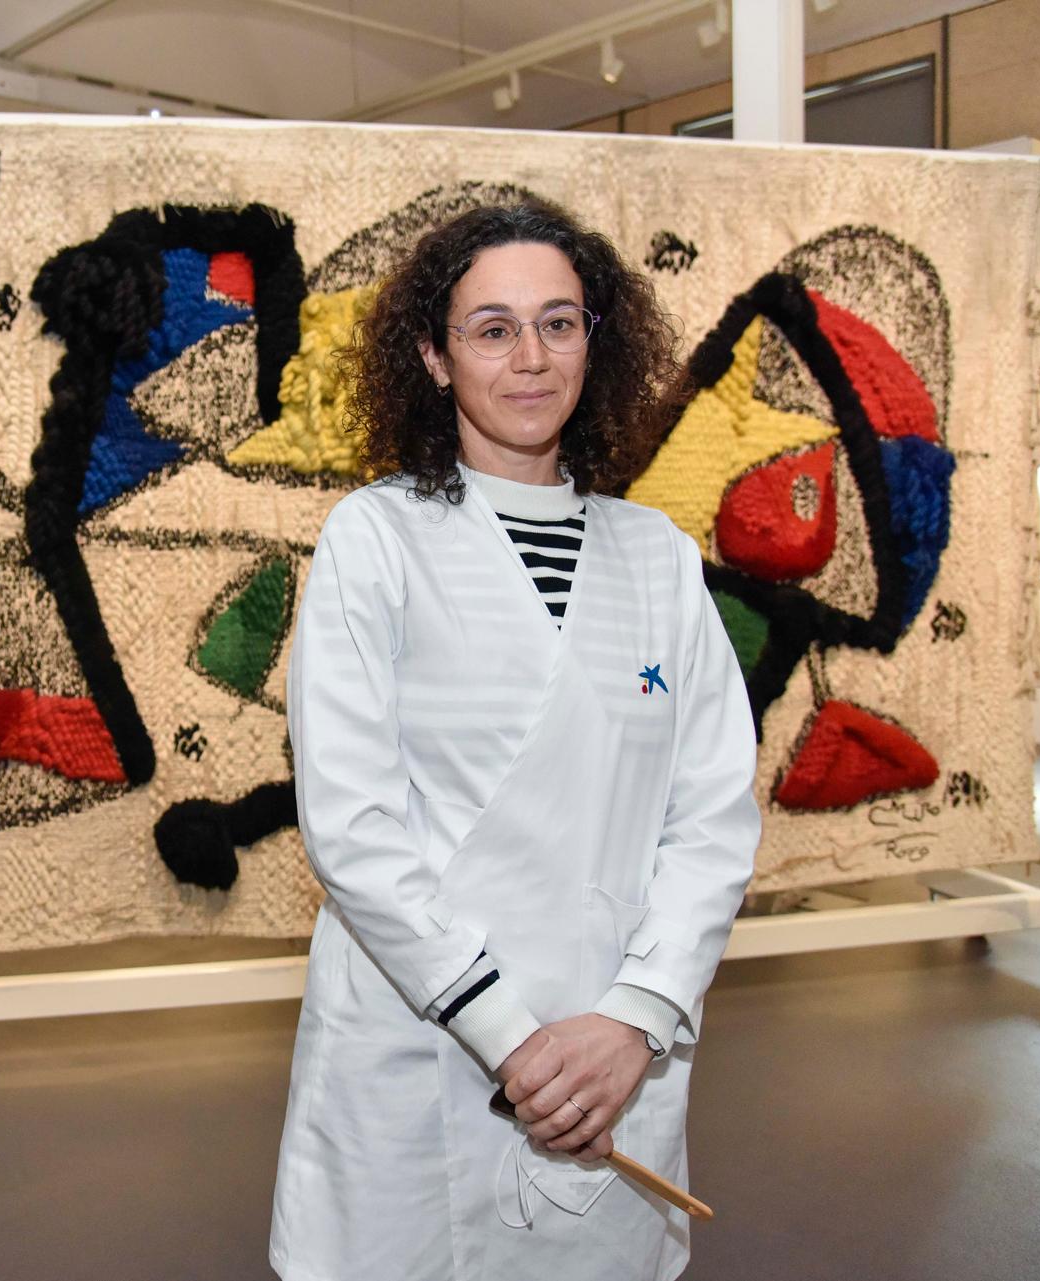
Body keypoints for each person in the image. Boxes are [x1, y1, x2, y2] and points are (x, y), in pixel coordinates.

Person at [267, 198, 761, 1281]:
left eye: (559, 323)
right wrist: (510, 1038)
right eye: (492, 329)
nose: (530, 357)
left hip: (609, 1050)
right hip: (428, 1042)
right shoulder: (375, 540)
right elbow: (352, 826)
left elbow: (713, 815)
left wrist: (636, 1018)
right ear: (434, 356)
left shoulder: (657, 556)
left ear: (596, 340)